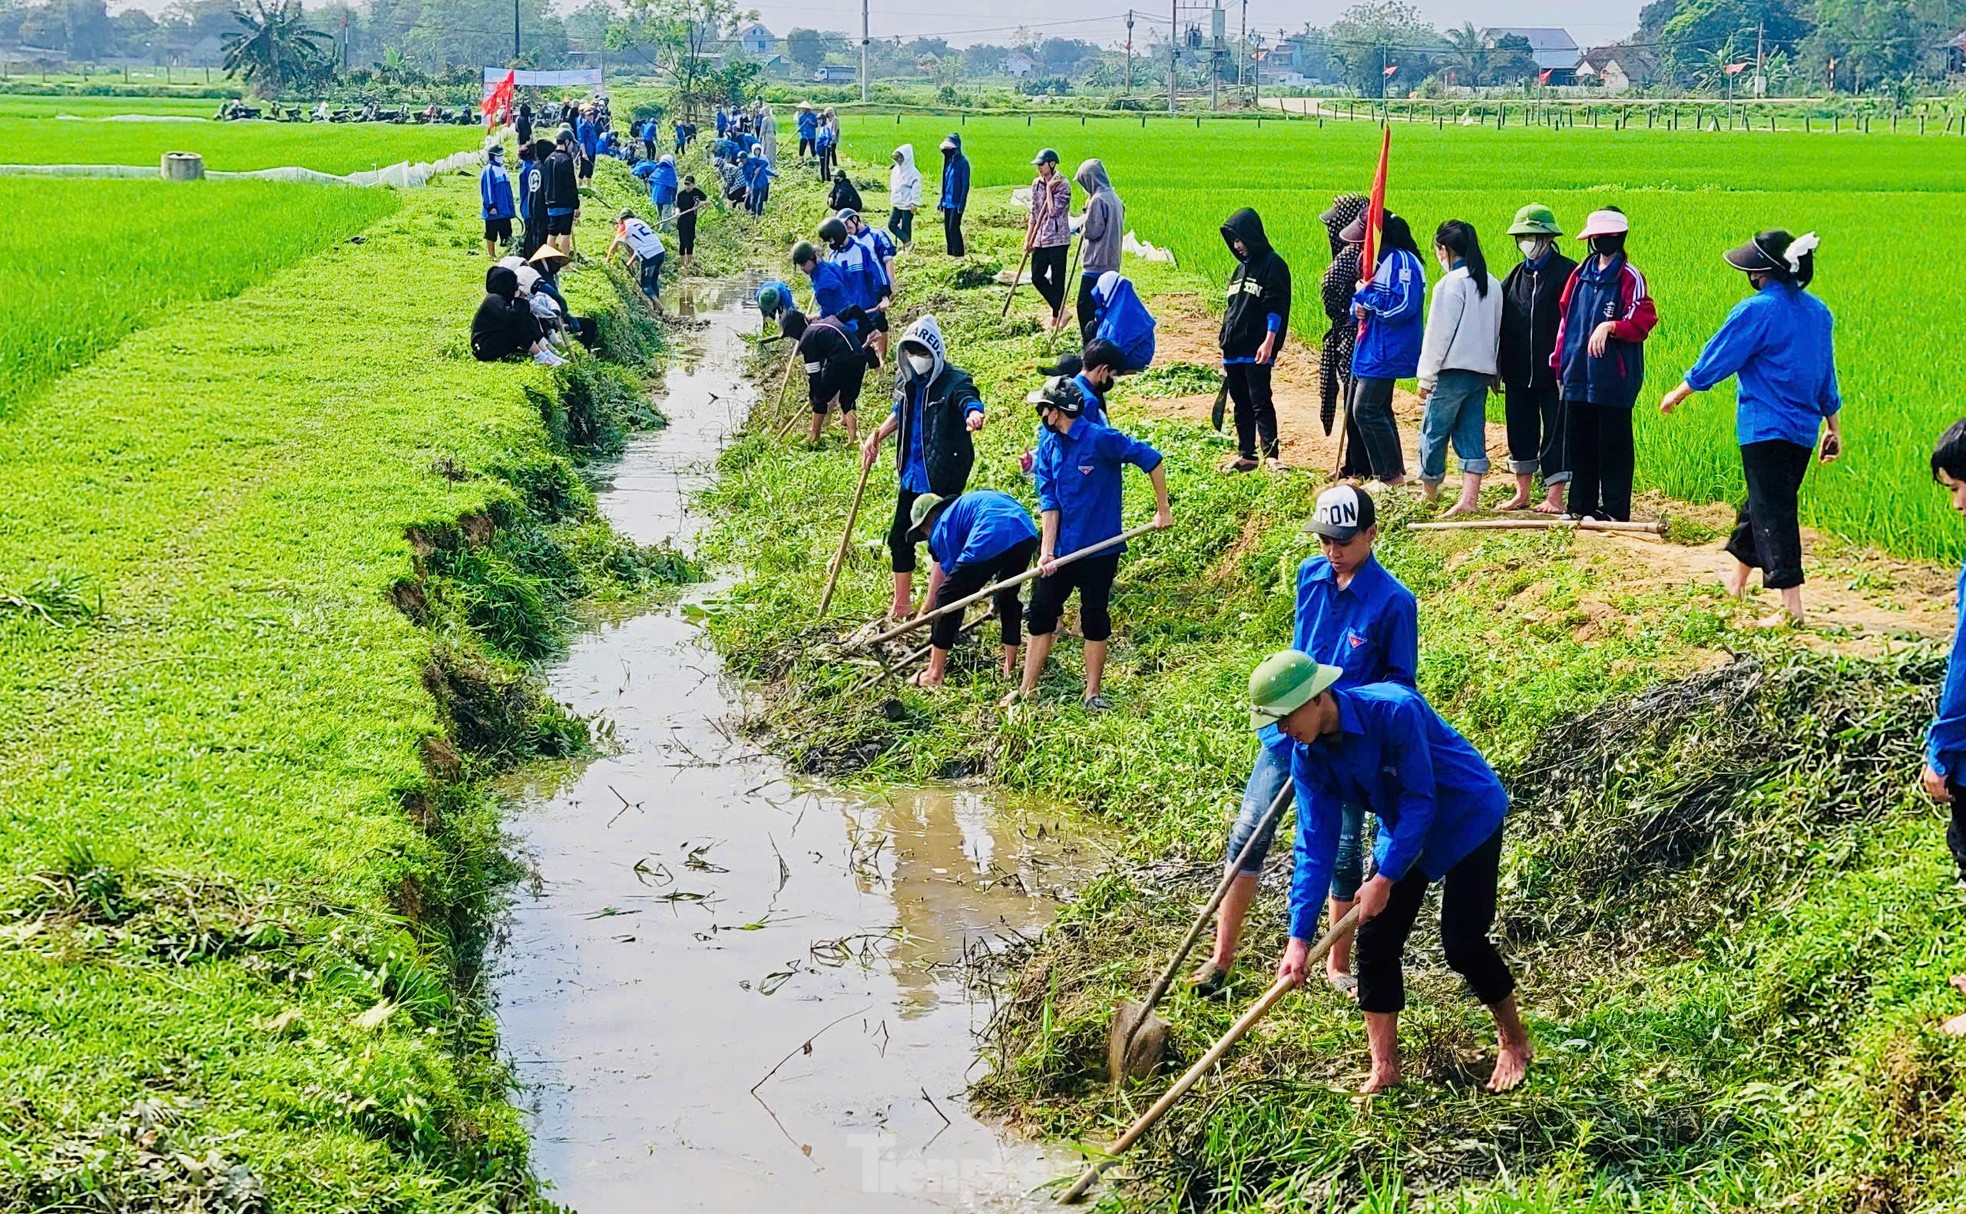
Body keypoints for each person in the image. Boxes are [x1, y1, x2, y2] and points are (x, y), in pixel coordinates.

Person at [1249, 650, 1531, 1095]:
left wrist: (1385, 878)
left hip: (1465, 814)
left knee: (1462, 943)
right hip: (1401, 827)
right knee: (1376, 941)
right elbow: (1314, 846)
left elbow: (1422, 799)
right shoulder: (1307, 755)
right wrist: (1298, 938)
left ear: (1318, 698)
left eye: (1285, 717)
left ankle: (1513, 1039)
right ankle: (1384, 1068)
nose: (1283, 730)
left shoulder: (1394, 710)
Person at [1189, 485, 1417, 999]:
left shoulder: (1394, 603)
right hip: (1288, 726)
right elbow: (1300, 651)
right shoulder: (1310, 578)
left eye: (1343, 540)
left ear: (1372, 535)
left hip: (1346, 740)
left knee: (1339, 847)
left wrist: (1336, 711)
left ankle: (1336, 965)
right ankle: (1221, 956)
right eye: (1324, 541)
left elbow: (1401, 684)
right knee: (1249, 829)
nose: (1332, 551)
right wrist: (1294, 714)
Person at [1660, 230, 1838, 626]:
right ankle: (1736, 584)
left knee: (1774, 508)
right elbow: (1826, 375)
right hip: (1803, 430)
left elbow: (1720, 356)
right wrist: (1833, 425)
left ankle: (1791, 608)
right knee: (1761, 501)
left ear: (1761, 272)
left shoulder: (1756, 311)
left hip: (1764, 427)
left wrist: (1680, 391)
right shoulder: (1818, 312)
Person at [1004, 376, 1171, 711]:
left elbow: (1151, 459)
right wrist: (1048, 552)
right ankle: (1026, 689)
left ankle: (1092, 693)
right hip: (1063, 551)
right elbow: (1049, 502)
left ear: (1056, 412)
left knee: (1094, 617)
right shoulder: (1049, 446)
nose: (1040, 414)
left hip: (1101, 549)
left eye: (1043, 408)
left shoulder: (1100, 439)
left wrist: (1162, 509)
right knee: (1040, 614)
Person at [859, 316, 987, 621]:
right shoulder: (906, 379)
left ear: (936, 353)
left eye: (923, 353)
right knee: (899, 537)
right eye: (912, 352)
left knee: (940, 540)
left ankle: (931, 607)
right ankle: (901, 605)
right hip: (912, 472)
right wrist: (875, 435)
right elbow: (899, 412)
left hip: (942, 472)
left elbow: (968, 399)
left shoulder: (955, 381)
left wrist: (974, 415)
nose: (918, 360)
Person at [1553, 207, 1657, 522]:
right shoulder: (1579, 275)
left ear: (1620, 237)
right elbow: (1565, 322)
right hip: (1578, 373)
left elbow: (1643, 318)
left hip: (1613, 377)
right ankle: (1579, 507)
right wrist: (1560, 364)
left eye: (1609, 236)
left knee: (1613, 445)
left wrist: (1611, 326)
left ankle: (1614, 510)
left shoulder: (1630, 277)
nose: (1602, 242)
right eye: (1598, 237)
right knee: (1580, 443)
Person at [907, 490, 1042, 688]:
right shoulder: (962, 508)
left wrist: (937, 615)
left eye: (923, 532)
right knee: (1007, 597)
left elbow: (954, 586)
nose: (926, 537)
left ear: (930, 519)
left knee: (947, 597)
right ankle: (1009, 666)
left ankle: (934, 673)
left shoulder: (941, 525)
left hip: (991, 531)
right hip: (1024, 531)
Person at [1415, 220, 1502, 517]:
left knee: (1433, 431)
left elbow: (1438, 334)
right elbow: (1497, 332)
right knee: (1471, 432)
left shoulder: (1450, 284)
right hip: (1481, 373)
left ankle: (1429, 494)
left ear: (1444, 250)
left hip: (1451, 373)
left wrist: (1426, 376)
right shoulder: (1492, 282)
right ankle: (1470, 498)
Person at [1496, 204, 1578, 514]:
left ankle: (1555, 497)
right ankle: (1523, 493)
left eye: (1532, 236)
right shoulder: (1515, 277)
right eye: (1522, 237)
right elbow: (1498, 320)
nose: (1527, 242)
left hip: (1554, 373)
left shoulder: (1568, 273)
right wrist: (1496, 366)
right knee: (1520, 430)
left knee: (1556, 432)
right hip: (1518, 371)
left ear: (1547, 238)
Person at [1346, 211, 1426, 486]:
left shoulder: (1402, 261)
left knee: (1365, 410)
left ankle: (1389, 477)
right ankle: (1394, 473)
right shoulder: (1374, 261)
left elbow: (1404, 307)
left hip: (1389, 350)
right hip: (1370, 348)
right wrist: (1357, 306)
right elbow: (1359, 302)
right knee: (1379, 409)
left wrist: (1366, 296)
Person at [1218, 208, 1292, 473]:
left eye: (1241, 239)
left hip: (1257, 347)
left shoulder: (1273, 264)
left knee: (1260, 400)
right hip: (1233, 348)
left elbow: (1276, 306)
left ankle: (1271, 454)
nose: (1238, 246)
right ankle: (1246, 453)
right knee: (1240, 403)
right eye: (1234, 241)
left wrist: (1269, 341)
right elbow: (1232, 309)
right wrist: (1224, 344)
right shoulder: (1239, 270)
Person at [1317, 194, 1370, 478]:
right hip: (1353, 337)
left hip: (1353, 339)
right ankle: (1355, 463)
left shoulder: (1351, 255)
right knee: (1358, 403)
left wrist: (1343, 315)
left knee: (1356, 404)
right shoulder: (1362, 255)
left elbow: (1329, 289)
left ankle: (1360, 466)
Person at [781, 308, 873, 445]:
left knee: (820, 398)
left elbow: (814, 374)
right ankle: (852, 440)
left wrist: (814, 396)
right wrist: (870, 328)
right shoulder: (827, 320)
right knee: (848, 399)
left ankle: (814, 436)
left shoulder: (807, 338)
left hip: (841, 360)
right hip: (859, 356)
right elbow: (854, 309)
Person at [1072, 159, 1124, 341]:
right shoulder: (1115, 198)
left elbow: (1093, 231)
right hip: (1112, 262)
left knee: (1084, 307)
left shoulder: (1098, 200)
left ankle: (1090, 348)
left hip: (1096, 263)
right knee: (1104, 309)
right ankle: (1103, 343)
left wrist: (1081, 225)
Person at [472, 265, 563, 365]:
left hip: (494, 340)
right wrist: (520, 300)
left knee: (527, 317)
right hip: (483, 348)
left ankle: (545, 352)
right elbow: (513, 317)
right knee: (518, 322)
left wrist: (522, 302)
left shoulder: (500, 299)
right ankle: (539, 356)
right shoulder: (493, 300)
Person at [1026, 148, 1072, 324]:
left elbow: (1053, 211)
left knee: (1058, 279)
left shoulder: (1063, 185)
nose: (1039, 168)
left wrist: (1050, 190)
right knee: (1037, 276)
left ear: (1052, 164)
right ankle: (1062, 311)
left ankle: (1056, 317)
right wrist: (1028, 238)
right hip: (1040, 237)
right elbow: (1034, 212)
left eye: (1041, 164)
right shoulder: (1036, 183)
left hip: (1058, 239)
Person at [1087, 271, 1155, 374]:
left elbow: (1113, 346)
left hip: (1132, 359)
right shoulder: (1124, 303)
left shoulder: (1120, 315)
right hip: (1140, 356)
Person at [608, 208, 665, 306]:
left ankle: (658, 306)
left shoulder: (624, 226)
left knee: (646, 285)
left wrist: (607, 261)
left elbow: (615, 245)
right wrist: (629, 263)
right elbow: (638, 249)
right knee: (653, 281)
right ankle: (658, 308)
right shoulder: (640, 222)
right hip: (660, 251)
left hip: (649, 255)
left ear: (621, 220)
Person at [542, 131, 581, 257]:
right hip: (564, 204)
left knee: (551, 234)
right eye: (571, 144)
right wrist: (576, 205)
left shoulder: (548, 159)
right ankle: (565, 264)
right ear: (566, 142)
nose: (571, 148)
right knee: (565, 234)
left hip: (551, 204)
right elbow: (571, 185)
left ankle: (549, 260)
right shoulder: (566, 160)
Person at [479, 145, 516, 258]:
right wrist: (491, 206)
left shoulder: (503, 168)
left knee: (507, 232)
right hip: (494, 210)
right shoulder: (488, 169)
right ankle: (491, 254)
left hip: (505, 210)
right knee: (491, 233)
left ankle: (508, 254)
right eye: (498, 156)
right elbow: (488, 190)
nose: (501, 157)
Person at [938, 134, 971, 257]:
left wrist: (962, 204)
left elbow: (965, 185)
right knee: (947, 230)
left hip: (956, 203)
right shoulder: (948, 162)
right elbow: (945, 182)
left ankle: (958, 255)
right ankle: (950, 254)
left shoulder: (963, 163)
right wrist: (941, 200)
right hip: (947, 201)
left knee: (954, 228)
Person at [887, 144, 921, 247]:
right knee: (892, 225)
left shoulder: (913, 172)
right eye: (897, 158)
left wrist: (914, 202)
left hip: (907, 204)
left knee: (906, 227)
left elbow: (916, 189)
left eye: (901, 157)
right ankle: (907, 242)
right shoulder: (896, 170)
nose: (899, 160)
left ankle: (907, 247)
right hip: (897, 203)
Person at [675, 174, 708, 274]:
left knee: (690, 241)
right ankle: (682, 264)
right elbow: (677, 206)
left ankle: (689, 263)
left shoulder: (697, 193)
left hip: (692, 220)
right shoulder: (681, 195)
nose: (687, 186)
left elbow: (707, 201)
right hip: (682, 220)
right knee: (682, 242)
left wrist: (701, 204)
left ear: (693, 184)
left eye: (689, 184)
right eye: (685, 184)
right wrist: (677, 212)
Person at [516, 142, 544, 258]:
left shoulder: (526, 166)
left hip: (526, 206)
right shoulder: (530, 168)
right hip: (530, 206)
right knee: (532, 236)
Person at [743, 152, 776, 216]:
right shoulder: (744, 168)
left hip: (762, 182)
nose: (742, 162)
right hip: (754, 184)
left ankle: (759, 215)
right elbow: (747, 179)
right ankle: (753, 215)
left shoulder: (754, 160)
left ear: (745, 158)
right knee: (752, 201)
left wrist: (759, 168)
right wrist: (748, 187)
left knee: (760, 201)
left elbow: (765, 163)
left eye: (742, 160)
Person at [649, 154, 679, 225]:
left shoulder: (657, 170)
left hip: (655, 196)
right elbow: (672, 187)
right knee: (666, 214)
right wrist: (674, 199)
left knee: (659, 212)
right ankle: (665, 229)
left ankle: (659, 224)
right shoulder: (670, 172)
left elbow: (651, 181)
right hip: (665, 196)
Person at [575, 107, 598, 185]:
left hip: (593, 150)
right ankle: (580, 185)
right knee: (584, 169)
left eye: (592, 114)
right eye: (588, 115)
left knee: (590, 169)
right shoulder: (582, 127)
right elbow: (581, 141)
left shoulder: (592, 125)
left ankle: (589, 185)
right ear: (585, 116)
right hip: (586, 151)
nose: (591, 116)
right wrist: (584, 153)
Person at [815, 113, 838, 181]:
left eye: (820, 119)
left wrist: (825, 145)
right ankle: (824, 179)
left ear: (824, 120)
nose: (818, 121)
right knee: (822, 166)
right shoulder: (821, 128)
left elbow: (829, 137)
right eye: (817, 119)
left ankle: (826, 180)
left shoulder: (825, 127)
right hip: (821, 149)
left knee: (824, 166)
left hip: (824, 149)